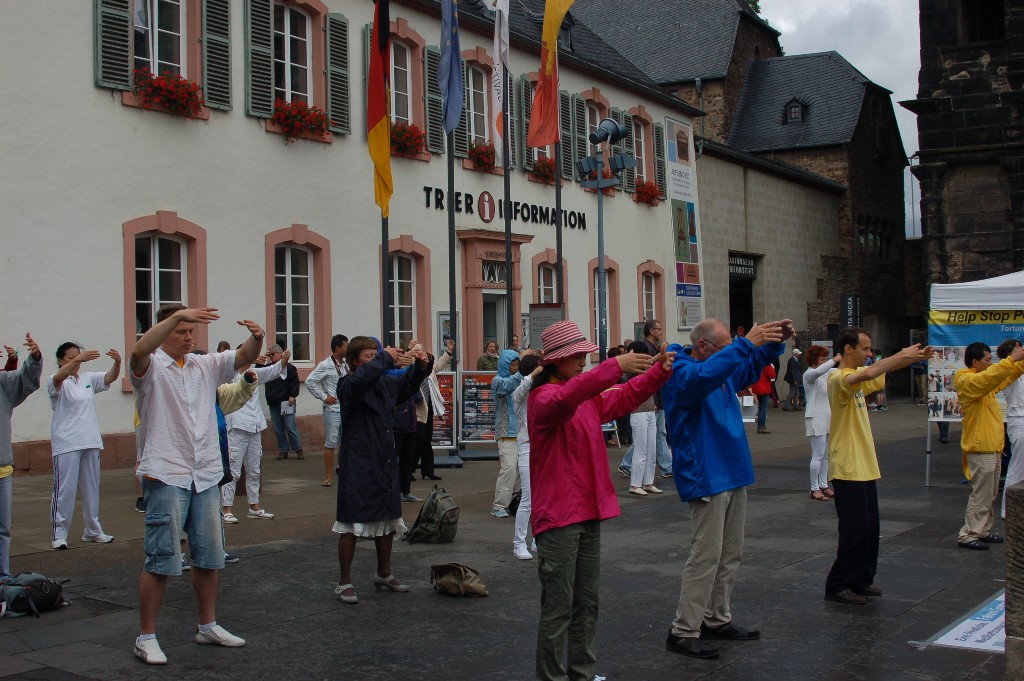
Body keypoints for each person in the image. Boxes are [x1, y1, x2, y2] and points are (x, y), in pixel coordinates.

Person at [529, 320, 673, 680]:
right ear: (555, 361)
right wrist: (614, 366)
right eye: (577, 355)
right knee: (559, 610)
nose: (583, 360)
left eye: (584, 355)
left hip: (584, 512)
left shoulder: (580, 397)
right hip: (560, 517)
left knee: (586, 605)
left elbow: (623, 397)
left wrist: (657, 372)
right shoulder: (544, 399)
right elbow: (568, 398)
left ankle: (582, 673)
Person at [130, 304, 264, 665]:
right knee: (161, 558)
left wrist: (257, 337)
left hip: (204, 472)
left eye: (191, 331)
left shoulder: (203, 365)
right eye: (181, 331)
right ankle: (146, 636)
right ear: (164, 331)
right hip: (167, 473)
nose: (189, 337)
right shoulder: (151, 366)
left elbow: (243, 357)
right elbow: (139, 351)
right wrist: (176, 317)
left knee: (209, 556)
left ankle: (208, 625)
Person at [661, 318, 789, 660]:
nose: (731, 352)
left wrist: (773, 343)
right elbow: (702, 377)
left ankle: (715, 618)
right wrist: (746, 344)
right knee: (705, 555)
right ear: (703, 346)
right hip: (707, 472)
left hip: (731, 470)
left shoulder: (715, 365)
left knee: (730, 553)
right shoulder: (680, 371)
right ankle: (683, 630)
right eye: (725, 346)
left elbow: (746, 367)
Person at [824, 328, 932, 605]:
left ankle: (861, 579)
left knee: (870, 527)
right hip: (847, 465)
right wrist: (902, 354)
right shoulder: (838, 378)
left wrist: (914, 358)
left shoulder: (857, 377)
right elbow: (870, 373)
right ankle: (837, 584)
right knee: (854, 527)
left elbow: (879, 372)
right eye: (865, 348)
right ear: (848, 349)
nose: (870, 354)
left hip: (863, 464)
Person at [333, 336, 431, 604]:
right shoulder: (348, 384)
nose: (374, 360)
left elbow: (408, 384)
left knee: (387, 519)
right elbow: (361, 380)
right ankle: (344, 581)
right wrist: (385, 357)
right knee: (350, 523)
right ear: (354, 362)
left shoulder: (385, 382)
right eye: (369, 356)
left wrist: (420, 365)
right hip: (358, 462)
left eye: (375, 355)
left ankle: (384, 573)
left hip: (384, 459)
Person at [48, 343, 121, 549]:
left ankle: (92, 530)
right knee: (65, 490)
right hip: (67, 443)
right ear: (60, 360)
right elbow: (58, 378)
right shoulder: (57, 381)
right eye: (70, 358)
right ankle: (59, 534)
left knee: (91, 489)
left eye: (78, 357)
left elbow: (109, 377)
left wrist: (117, 362)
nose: (76, 361)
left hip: (90, 440)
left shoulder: (88, 378)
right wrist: (79, 359)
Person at [954, 340, 1024, 550]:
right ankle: (969, 534)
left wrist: (1019, 363)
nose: (990, 363)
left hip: (991, 447)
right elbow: (991, 377)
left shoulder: (984, 383)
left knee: (990, 493)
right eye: (987, 360)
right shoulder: (967, 380)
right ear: (975, 362)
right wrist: (1012, 359)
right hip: (981, 447)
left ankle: (982, 529)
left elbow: (1006, 376)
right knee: (981, 493)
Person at [220, 349, 290, 523]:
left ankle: (254, 506)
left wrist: (284, 360)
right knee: (234, 470)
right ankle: (226, 508)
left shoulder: (254, 374)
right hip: (237, 426)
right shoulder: (230, 376)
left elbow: (273, 371)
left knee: (254, 469)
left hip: (255, 425)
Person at [0, 334, 42, 581]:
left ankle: (2, 577)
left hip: (2, 471)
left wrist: (34, 358)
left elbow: (27, 380)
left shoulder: (3, 383)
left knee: (3, 530)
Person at [617, 320, 672, 479]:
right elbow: (646, 370)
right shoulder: (644, 348)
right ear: (651, 331)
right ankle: (662, 467)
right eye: (658, 329)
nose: (661, 331)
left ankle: (653, 470)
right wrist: (660, 356)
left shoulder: (651, 347)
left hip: (653, 400)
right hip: (647, 402)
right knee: (649, 437)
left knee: (653, 437)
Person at [305, 335, 348, 486]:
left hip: (345, 408)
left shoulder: (346, 364)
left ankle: (342, 470)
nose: (347, 348)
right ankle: (328, 476)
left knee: (345, 441)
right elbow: (310, 381)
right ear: (338, 348)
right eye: (345, 346)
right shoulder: (325, 364)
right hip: (332, 409)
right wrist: (324, 397)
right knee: (331, 442)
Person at [511, 352, 541, 560]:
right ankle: (519, 543)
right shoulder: (520, 394)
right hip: (527, 448)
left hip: (543, 448)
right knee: (528, 499)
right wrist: (537, 371)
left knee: (542, 498)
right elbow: (522, 389)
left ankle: (537, 539)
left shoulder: (542, 391)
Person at [625, 341, 662, 496]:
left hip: (650, 410)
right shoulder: (630, 367)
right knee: (640, 448)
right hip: (638, 411)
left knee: (651, 448)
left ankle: (648, 482)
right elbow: (648, 366)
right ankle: (635, 484)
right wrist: (660, 355)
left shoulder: (643, 366)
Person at [803, 346, 839, 501]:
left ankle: (824, 485)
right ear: (814, 360)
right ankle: (814, 488)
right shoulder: (809, 374)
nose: (825, 362)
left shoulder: (827, 373)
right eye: (822, 359)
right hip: (815, 418)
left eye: (826, 359)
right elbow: (819, 371)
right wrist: (835, 360)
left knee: (825, 455)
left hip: (827, 418)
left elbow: (840, 371)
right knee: (817, 455)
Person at [414, 338, 453, 482]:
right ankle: (409, 470)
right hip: (416, 409)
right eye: (418, 352)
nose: (422, 354)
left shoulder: (430, 368)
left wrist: (449, 351)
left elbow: (440, 363)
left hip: (429, 407)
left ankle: (428, 471)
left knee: (427, 439)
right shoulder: (411, 368)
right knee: (417, 440)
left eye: (422, 352)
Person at [491, 349, 523, 518]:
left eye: (517, 365)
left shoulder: (519, 378)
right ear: (504, 365)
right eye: (512, 365)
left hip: (521, 431)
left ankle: (514, 502)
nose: (515, 368)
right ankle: (499, 505)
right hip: (505, 432)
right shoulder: (497, 381)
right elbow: (508, 386)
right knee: (509, 468)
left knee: (520, 469)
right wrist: (525, 369)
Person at [997, 339, 1024, 519]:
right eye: (1019, 348)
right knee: (1017, 467)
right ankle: (1007, 509)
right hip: (1019, 420)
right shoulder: (1006, 370)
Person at [264, 344, 302, 460]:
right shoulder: (269, 368)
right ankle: (283, 450)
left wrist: (292, 395)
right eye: (270, 355)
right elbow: (258, 371)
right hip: (273, 402)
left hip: (286, 401)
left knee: (290, 426)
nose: (271, 357)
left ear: (280, 354)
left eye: (273, 354)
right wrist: (264, 357)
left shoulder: (289, 368)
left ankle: (298, 448)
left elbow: (294, 382)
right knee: (278, 429)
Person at [751, 363, 776, 434]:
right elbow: (772, 375)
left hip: (757, 385)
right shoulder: (766, 363)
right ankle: (761, 426)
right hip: (764, 387)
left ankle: (760, 425)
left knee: (760, 407)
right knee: (763, 408)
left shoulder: (756, 362)